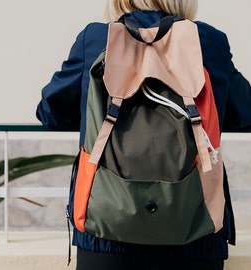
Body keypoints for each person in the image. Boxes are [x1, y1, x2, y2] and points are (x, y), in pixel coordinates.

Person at [36, 0, 251, 269]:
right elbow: (244, 113)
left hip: (105, 234)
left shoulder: (95, 39)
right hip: (196, 232)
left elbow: (49, 113)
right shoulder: (208, 41)